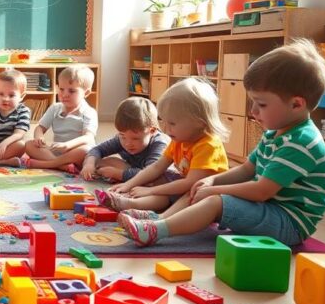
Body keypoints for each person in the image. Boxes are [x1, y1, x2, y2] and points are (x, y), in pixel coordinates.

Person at [120, 40, 325, 247]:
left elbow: (261, 191)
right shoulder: (276, 133)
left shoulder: (301, 142)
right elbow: (248, 169)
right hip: (267, 209)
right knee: (198, 187)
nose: (253, 112)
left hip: (289, 224)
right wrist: (212, 182)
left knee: (215, 200)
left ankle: (158, 231)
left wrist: (215, 191)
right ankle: (159, 220)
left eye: (261, 104)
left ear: (296, 104)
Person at [98, 77, 229, 214]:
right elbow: (156, 167)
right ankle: (130, 203)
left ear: (200, 122)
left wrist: (151, 190)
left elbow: (190, 183)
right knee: (160, 182)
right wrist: (128, 184)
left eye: (172, 123)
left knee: (188, 192)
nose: (165, 129)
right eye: (163, 121)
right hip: (184, 187)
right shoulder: (179, 139)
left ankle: (161, 222)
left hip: (207, 197)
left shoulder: (208, 146)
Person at [25, 65, 98, 172]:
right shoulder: (55, 108)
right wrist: (39, 137)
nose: (64, 94)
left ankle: (50, 164)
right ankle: (60, 165)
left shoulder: (89, 112)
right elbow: (40, 127)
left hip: (76, 153)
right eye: (61, 89)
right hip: (57, 152)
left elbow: (88, 138)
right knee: (29, 144)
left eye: (72, 91)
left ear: (86, 93)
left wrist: (67, 145)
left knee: (86, 150)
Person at [81, 96, 169, 182]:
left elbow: (151, 173)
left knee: (158, 181)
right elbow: (97, 149)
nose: (128, 143)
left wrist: (118, 174)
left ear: (152, 131)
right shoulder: (121, 139)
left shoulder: (159, 144)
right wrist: (89, 164)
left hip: (154, 174)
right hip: (134, 169)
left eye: (135, 138)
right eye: (122, 136)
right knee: (101, 162)